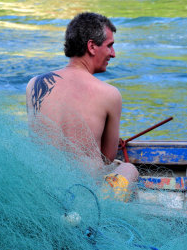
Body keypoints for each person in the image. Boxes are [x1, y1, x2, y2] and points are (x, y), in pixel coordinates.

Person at [26, 12, 138, 200]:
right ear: (92, 46)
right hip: (86, 192)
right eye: (110, 46)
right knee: (128, 168)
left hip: (44, 189)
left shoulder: (34, 84)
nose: (113, 54)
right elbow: (107, 158)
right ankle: (110, 211)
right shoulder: (109, 94)